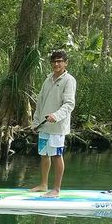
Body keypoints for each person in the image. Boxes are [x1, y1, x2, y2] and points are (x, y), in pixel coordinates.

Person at [30, 50, 76, 197]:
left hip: (58, 127)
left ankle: (56, 189)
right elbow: (40, 102)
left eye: (60, 61)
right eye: (54, 61)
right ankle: (43, 185)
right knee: (44, 154)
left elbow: (69, 104)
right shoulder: (48, 79)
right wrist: (36, 122)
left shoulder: (69, 80)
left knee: (56, 155)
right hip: (44, 125)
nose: (56, 64)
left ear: (65, 63)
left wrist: (56, 115)